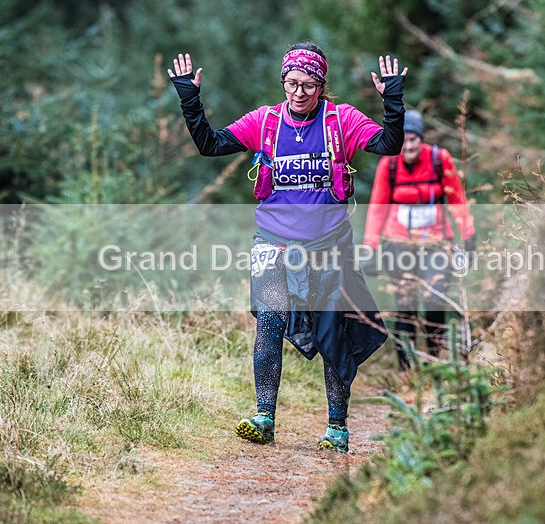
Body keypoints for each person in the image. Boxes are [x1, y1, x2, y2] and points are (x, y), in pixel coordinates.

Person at [168, 42, 408, 452]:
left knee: (334, 331)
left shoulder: (341, 119)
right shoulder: (266, 121)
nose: (298, 93)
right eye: (291, 83)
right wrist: (190, 98)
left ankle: (337, 428)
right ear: (283, 81)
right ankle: (264, 417)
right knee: (270, 323)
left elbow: (389, 145)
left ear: (321, 86)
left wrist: (393, 103)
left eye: (308, 85)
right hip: (272, 244)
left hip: (329, 245)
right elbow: (210, 144)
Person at [362, 109, 475, 375]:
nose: (408, 146)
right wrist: (370, 247)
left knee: (435, 298)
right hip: (397, 242)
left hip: (436, 242)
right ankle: (406, 370)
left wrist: (468, 235)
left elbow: (456, 199)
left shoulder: (439, 159)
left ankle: (434, 361)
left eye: (413, 140)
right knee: (406, 305)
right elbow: (377, 207)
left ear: (421, 139)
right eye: (403, 140)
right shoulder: (389, 164)